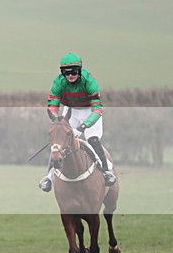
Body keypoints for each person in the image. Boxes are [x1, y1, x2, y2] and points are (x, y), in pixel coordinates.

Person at [39, 52, 117, 192]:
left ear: (79, 70)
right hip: (71, 111)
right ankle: (49, 177)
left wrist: (82, 128)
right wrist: (58, 121)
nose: (70, 76)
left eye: (74, 72)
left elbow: (98, 109)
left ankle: (106, 171)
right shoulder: (58, 82)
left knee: (92, 139)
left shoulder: (89, 81)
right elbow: (52, 105)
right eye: (66, 72)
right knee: (58, 141)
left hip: (90, 111)